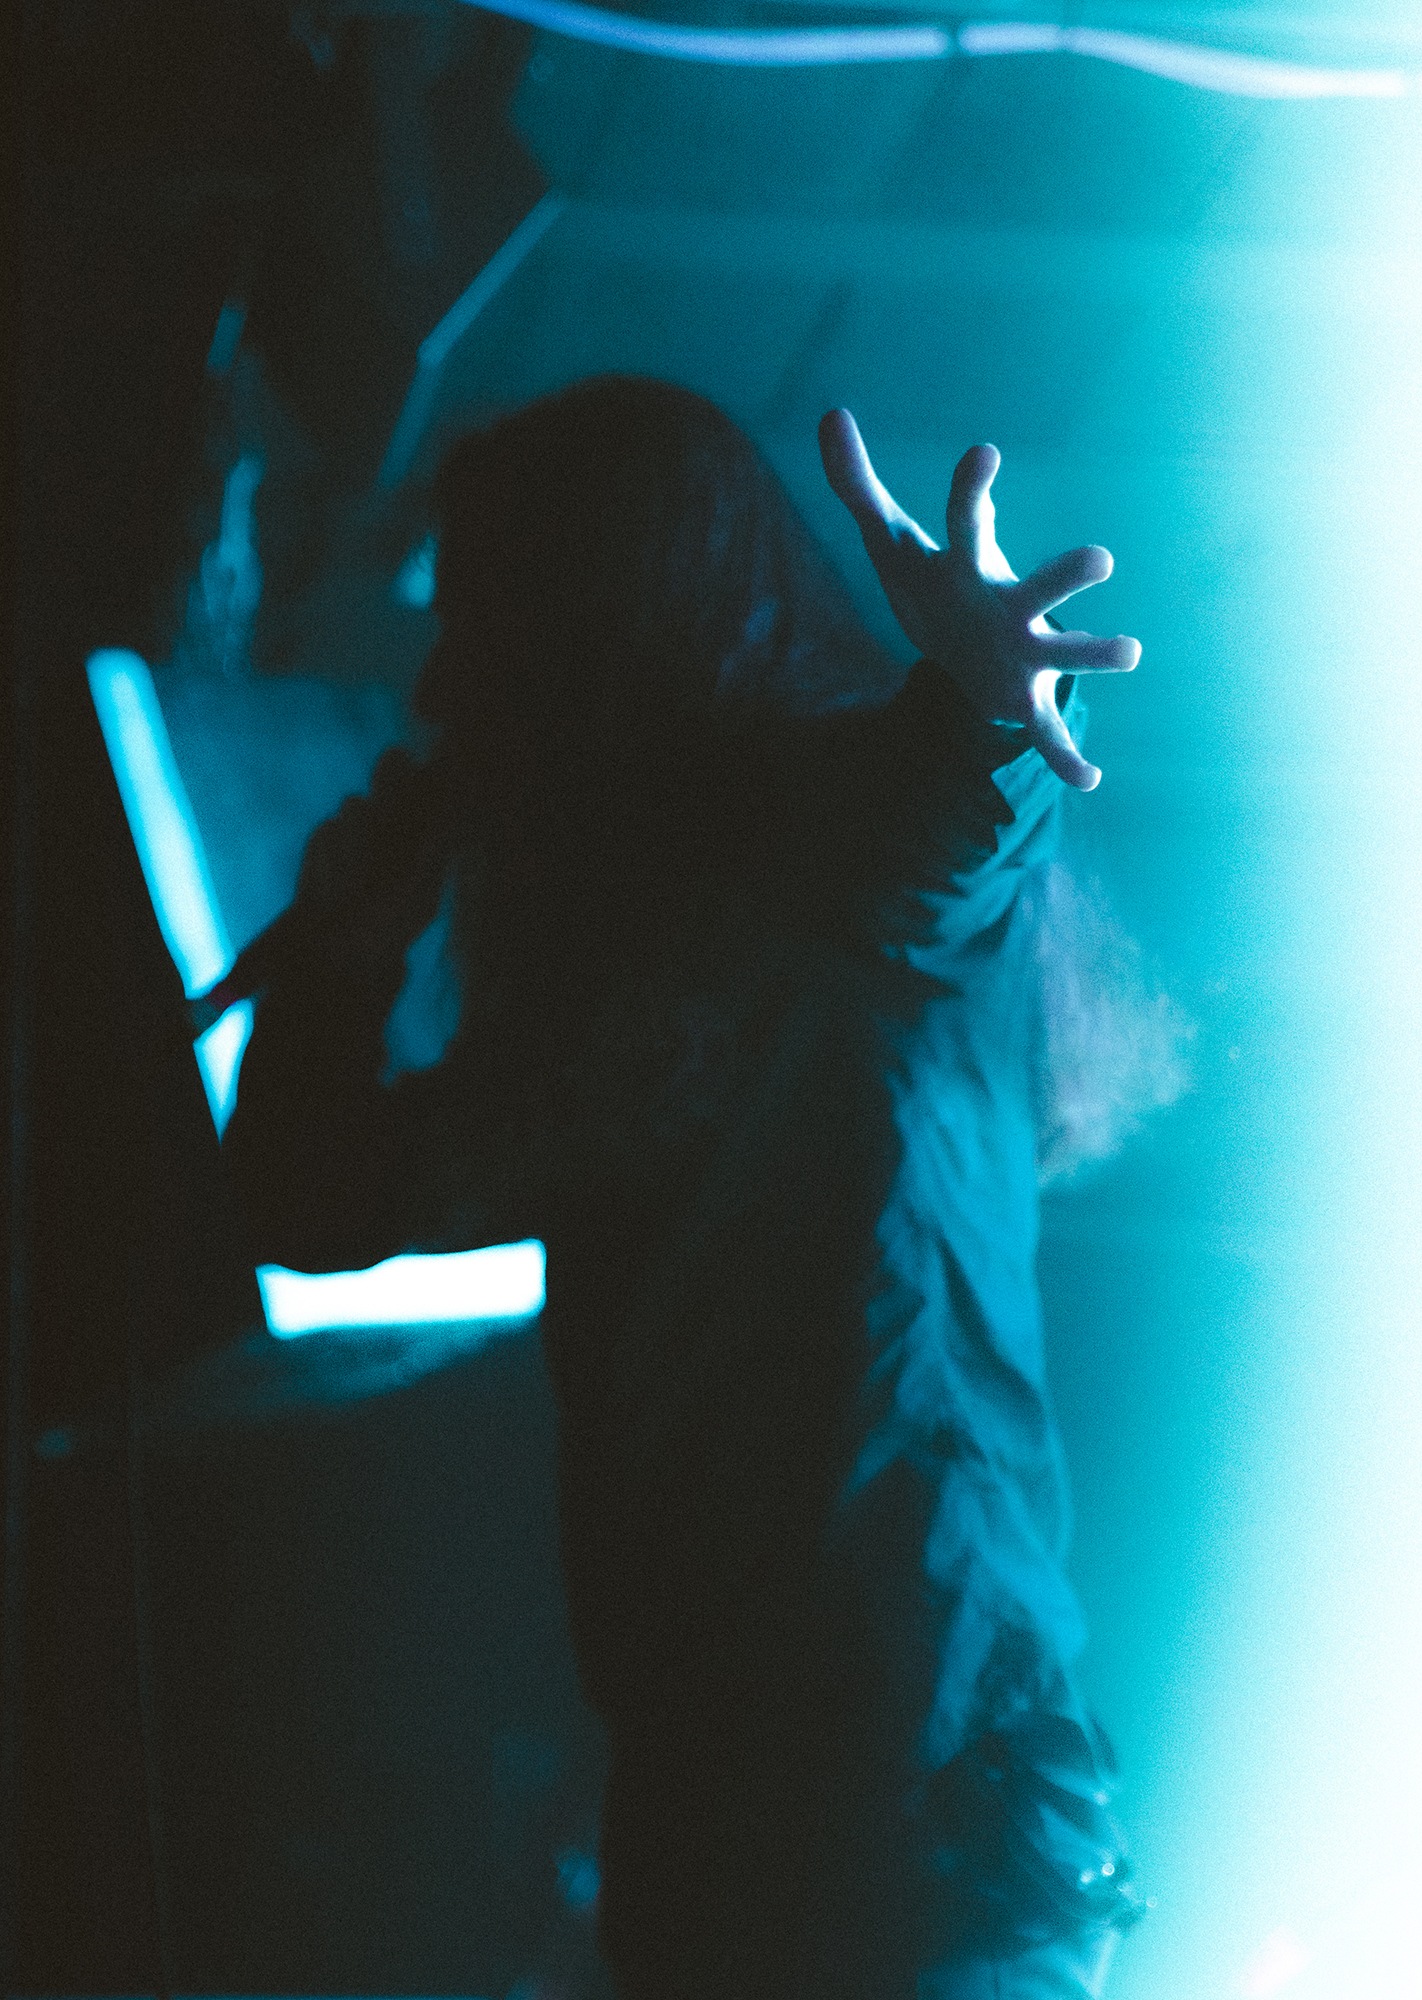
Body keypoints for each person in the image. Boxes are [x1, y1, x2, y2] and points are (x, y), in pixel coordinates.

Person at [222, 376, 1156, 1999]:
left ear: (597, 632)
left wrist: (988, 710)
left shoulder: (823, 868)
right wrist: (337, 961)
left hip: (915, 1823)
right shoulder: (617, 1002)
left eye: (483, 623)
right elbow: (319, 1205)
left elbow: (935, 845)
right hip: (733, 1832)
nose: (438, 682)